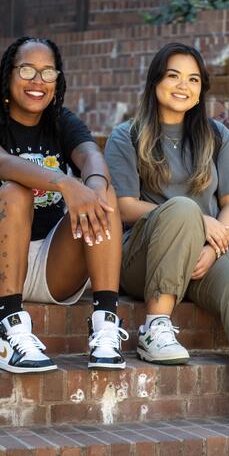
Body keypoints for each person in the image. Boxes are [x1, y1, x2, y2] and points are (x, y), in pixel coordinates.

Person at [104, 42, 229, 432]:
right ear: (155, 81)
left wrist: (211, 242)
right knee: (185, 209)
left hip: (207, 260)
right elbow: (123, 206)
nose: (182, 86)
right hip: (144, 260)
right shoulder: (127, 135)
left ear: (202, 88)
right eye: (173, 75)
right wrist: (196, 221)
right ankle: (155, 328)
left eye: (193, 79)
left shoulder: (216, 135)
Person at [0, 36, 128, 373]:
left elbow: (90, 156)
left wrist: (94, 186)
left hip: (50, 265)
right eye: (27, 70)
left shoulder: (60, 120)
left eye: (48, 72)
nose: (37, 81)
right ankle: (9, 324)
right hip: (2, 257)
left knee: (105, 196)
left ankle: (105, 326)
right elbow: (3, 163)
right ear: (8, 74)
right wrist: (63, 181)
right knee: (15, 191)